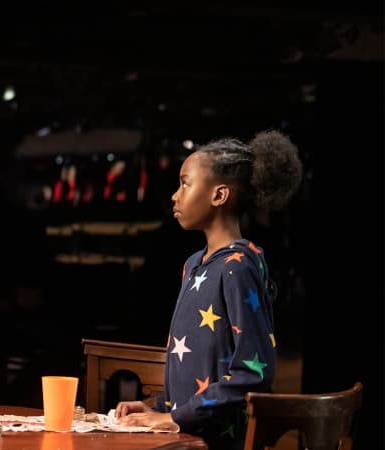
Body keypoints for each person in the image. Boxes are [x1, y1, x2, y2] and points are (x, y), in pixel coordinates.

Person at [115, 130, 303, 449]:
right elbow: (199, 365)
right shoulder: (194, 264)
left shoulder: (238, 266)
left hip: (215, 441)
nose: (175, 195)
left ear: (219, 195)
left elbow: (253, 372)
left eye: (185, 183)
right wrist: (160, 408)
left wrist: (176, 418)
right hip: (186, 434)